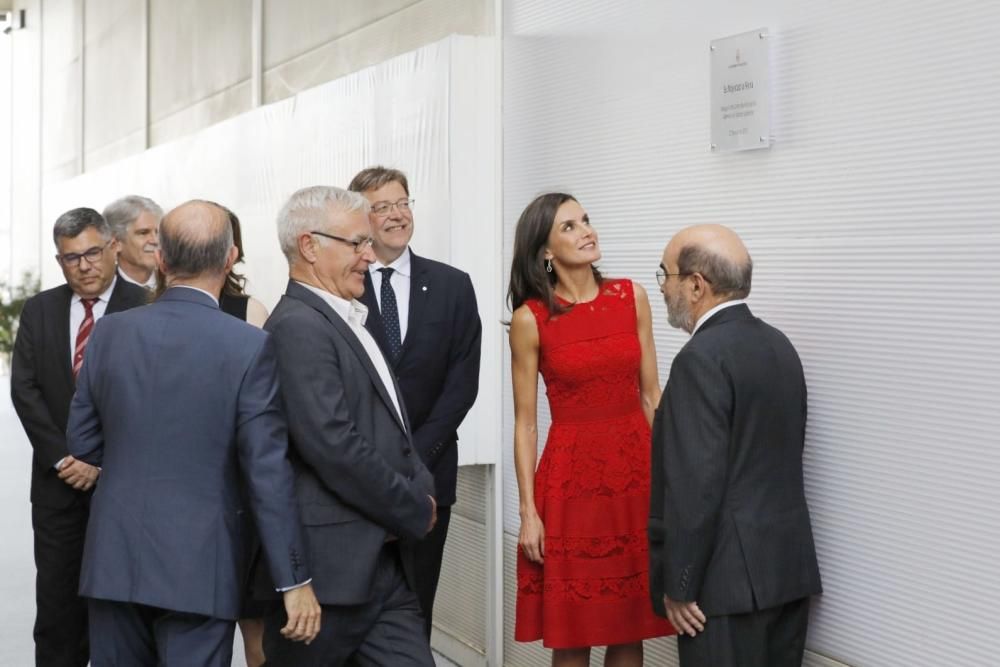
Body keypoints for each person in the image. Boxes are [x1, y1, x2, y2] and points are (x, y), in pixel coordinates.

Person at [65, 200, 320, 666]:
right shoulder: (248, 344)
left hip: (114, 560)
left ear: (161, 260)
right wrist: (294, 580)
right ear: (229, 258)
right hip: (200, 566)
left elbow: (82, 442)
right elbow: (267, 472)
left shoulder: (109, 333)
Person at [260, 185, 437, 666]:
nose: (369, 254)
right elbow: (333, 445)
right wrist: (413, 506)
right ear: (309, 246)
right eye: (356, 243)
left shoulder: (345, 315)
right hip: (332, 577)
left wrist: (421, 481)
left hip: (381, 564)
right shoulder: (298, 326)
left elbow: (388, 426)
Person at [508, 193, 674, 666]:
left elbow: (651, 396)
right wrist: (528, 512)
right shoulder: (529, 320)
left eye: (586, 220)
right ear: (544, 250)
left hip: (636, 477)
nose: (586, 231)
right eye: (569, 226)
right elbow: (525, 424)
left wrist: (670, 478)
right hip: (570, 486)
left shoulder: (631, 296)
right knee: (573, 635)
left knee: (629, 628)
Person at [649, 224, 822, 667]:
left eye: (664, 275)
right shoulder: (779, 345)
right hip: (787, 575)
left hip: (722, 590)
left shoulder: (698, 360)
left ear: (695, 285)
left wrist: (680, 584)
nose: (663, 288)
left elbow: (696, 485)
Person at [10, 207, 148, 667]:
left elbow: (151, 396)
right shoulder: (40, 309)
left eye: (92, 253)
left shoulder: (148, 304)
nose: (85, 266)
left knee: (124, 610)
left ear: (113, 249)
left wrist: (100, 461)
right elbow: (25, 390)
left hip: (125, 487)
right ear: (59, 261)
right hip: (57, 488)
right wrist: (65, 459)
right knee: (57, 611)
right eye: (72, 258)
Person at [349, 166, 482, 636]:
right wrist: (379, 467)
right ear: (360, 219)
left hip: (430, 477)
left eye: (402, 202)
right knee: (356, 618)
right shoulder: (345, 288)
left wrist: (415, 461)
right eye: (381, 207)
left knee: (416, 612)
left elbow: (462, 386)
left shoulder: (452, 286)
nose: (396, 215)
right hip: (358, 482)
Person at [103, 195, 163, 289]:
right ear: (116, 243)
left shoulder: (176, 284)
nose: (155, 240)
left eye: (157, 232)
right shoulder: (102, 290)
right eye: (143, 233)